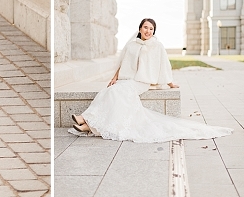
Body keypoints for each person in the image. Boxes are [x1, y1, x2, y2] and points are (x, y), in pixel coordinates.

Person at [70, 18, 231, 143]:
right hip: (126, 79)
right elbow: (122, 63)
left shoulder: (157, 46)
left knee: (118, 92)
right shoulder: (132, 45)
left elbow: (163, 66)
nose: (148, 30)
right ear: (140, 29)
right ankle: (87, 124)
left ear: (154, 31)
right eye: (145, 27)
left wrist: (170, 83)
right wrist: (114, 78)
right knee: (109, 91)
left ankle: (85, 120)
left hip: (141, 81)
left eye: (151, 28)